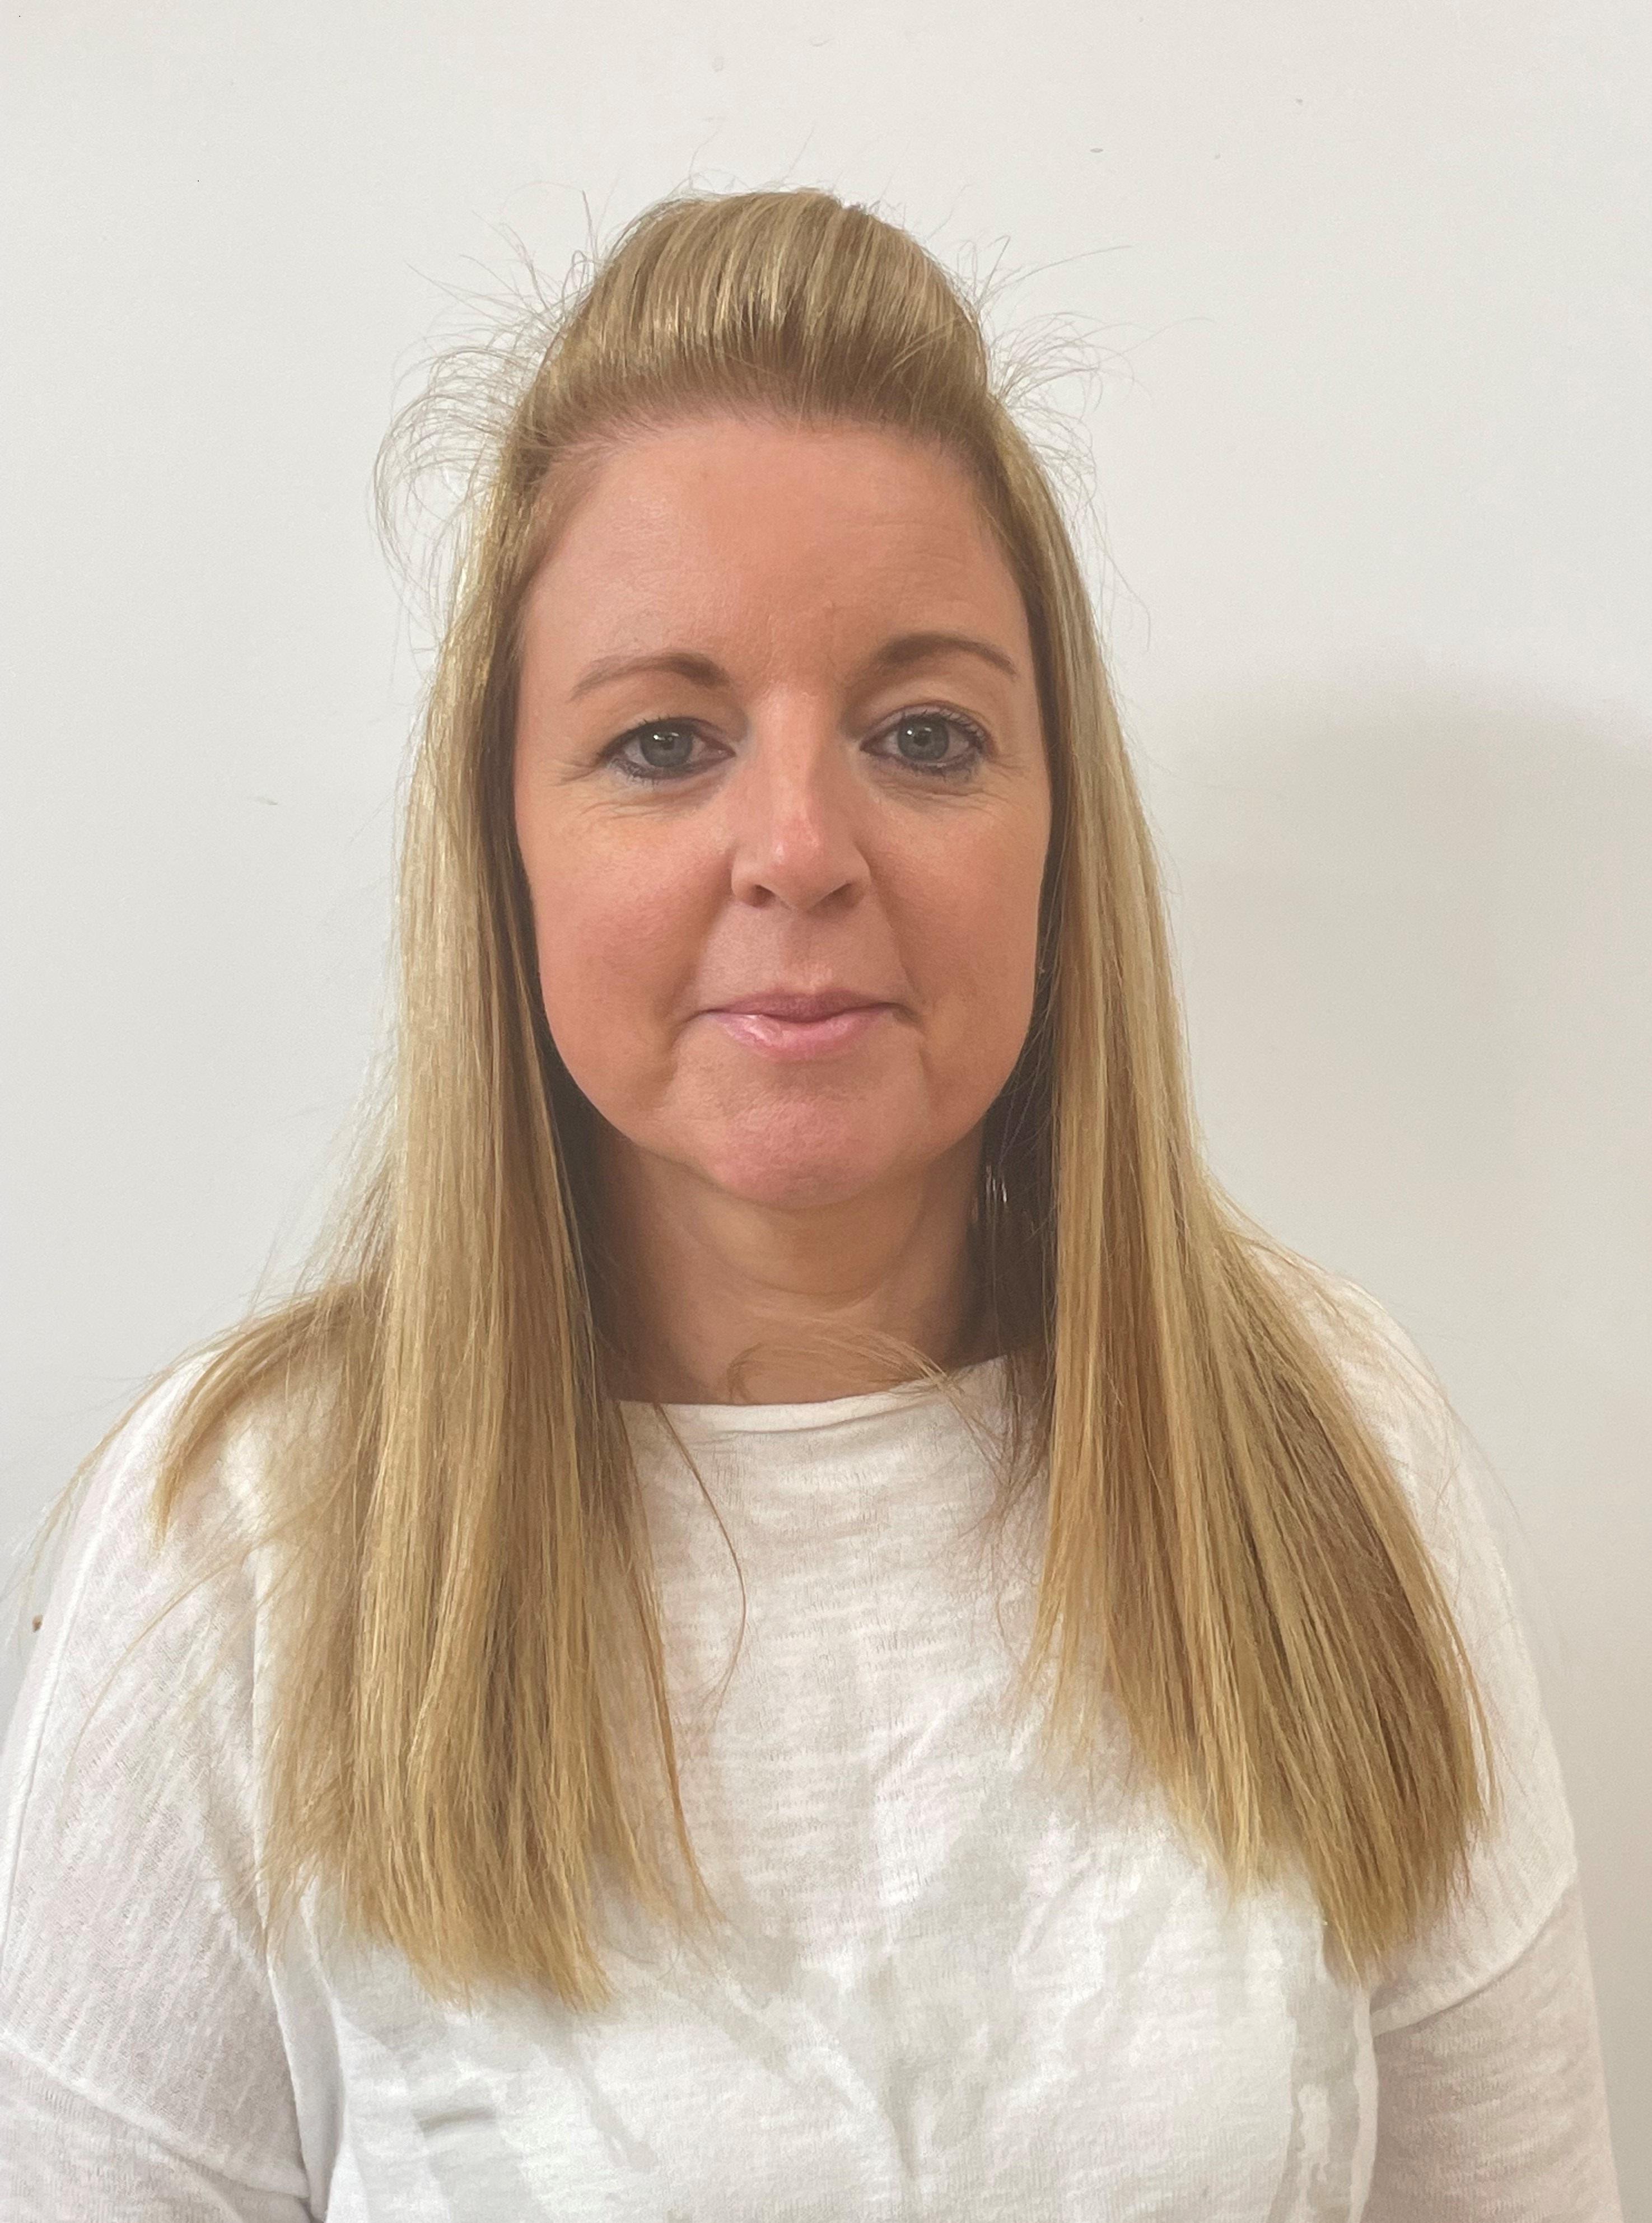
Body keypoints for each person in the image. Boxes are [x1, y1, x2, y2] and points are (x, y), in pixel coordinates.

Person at [0, 185, 1623, 2220]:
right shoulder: (246, 1547)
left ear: (1058, 831)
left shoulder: (1326, 1452)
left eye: (923, 734)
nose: (797, 845)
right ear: (505, 843)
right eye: (663, 743)